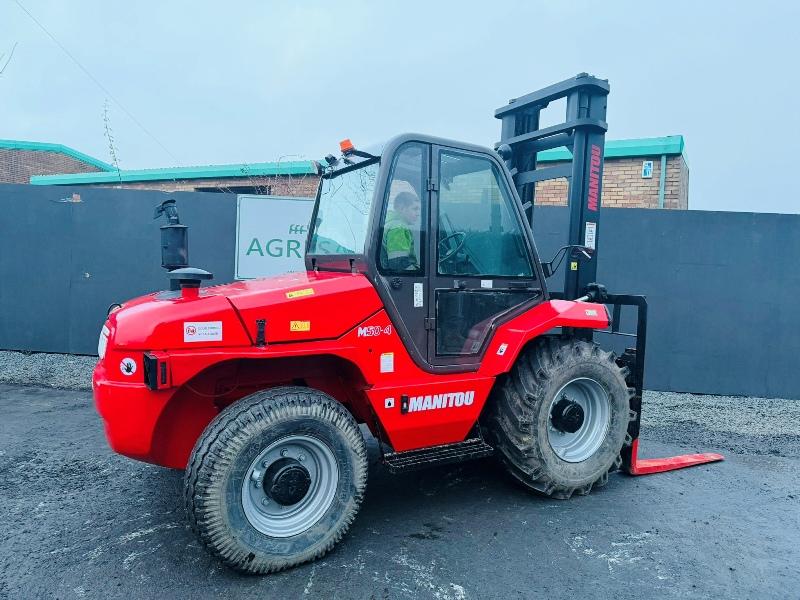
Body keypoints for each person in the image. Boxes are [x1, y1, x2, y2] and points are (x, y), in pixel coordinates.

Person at [383, 191, 421, 270]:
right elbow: (398, 264)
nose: (418, 213)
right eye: (415, 209)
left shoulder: (391, 223)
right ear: (402, 209)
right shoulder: (398, 228)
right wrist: (417, 272)